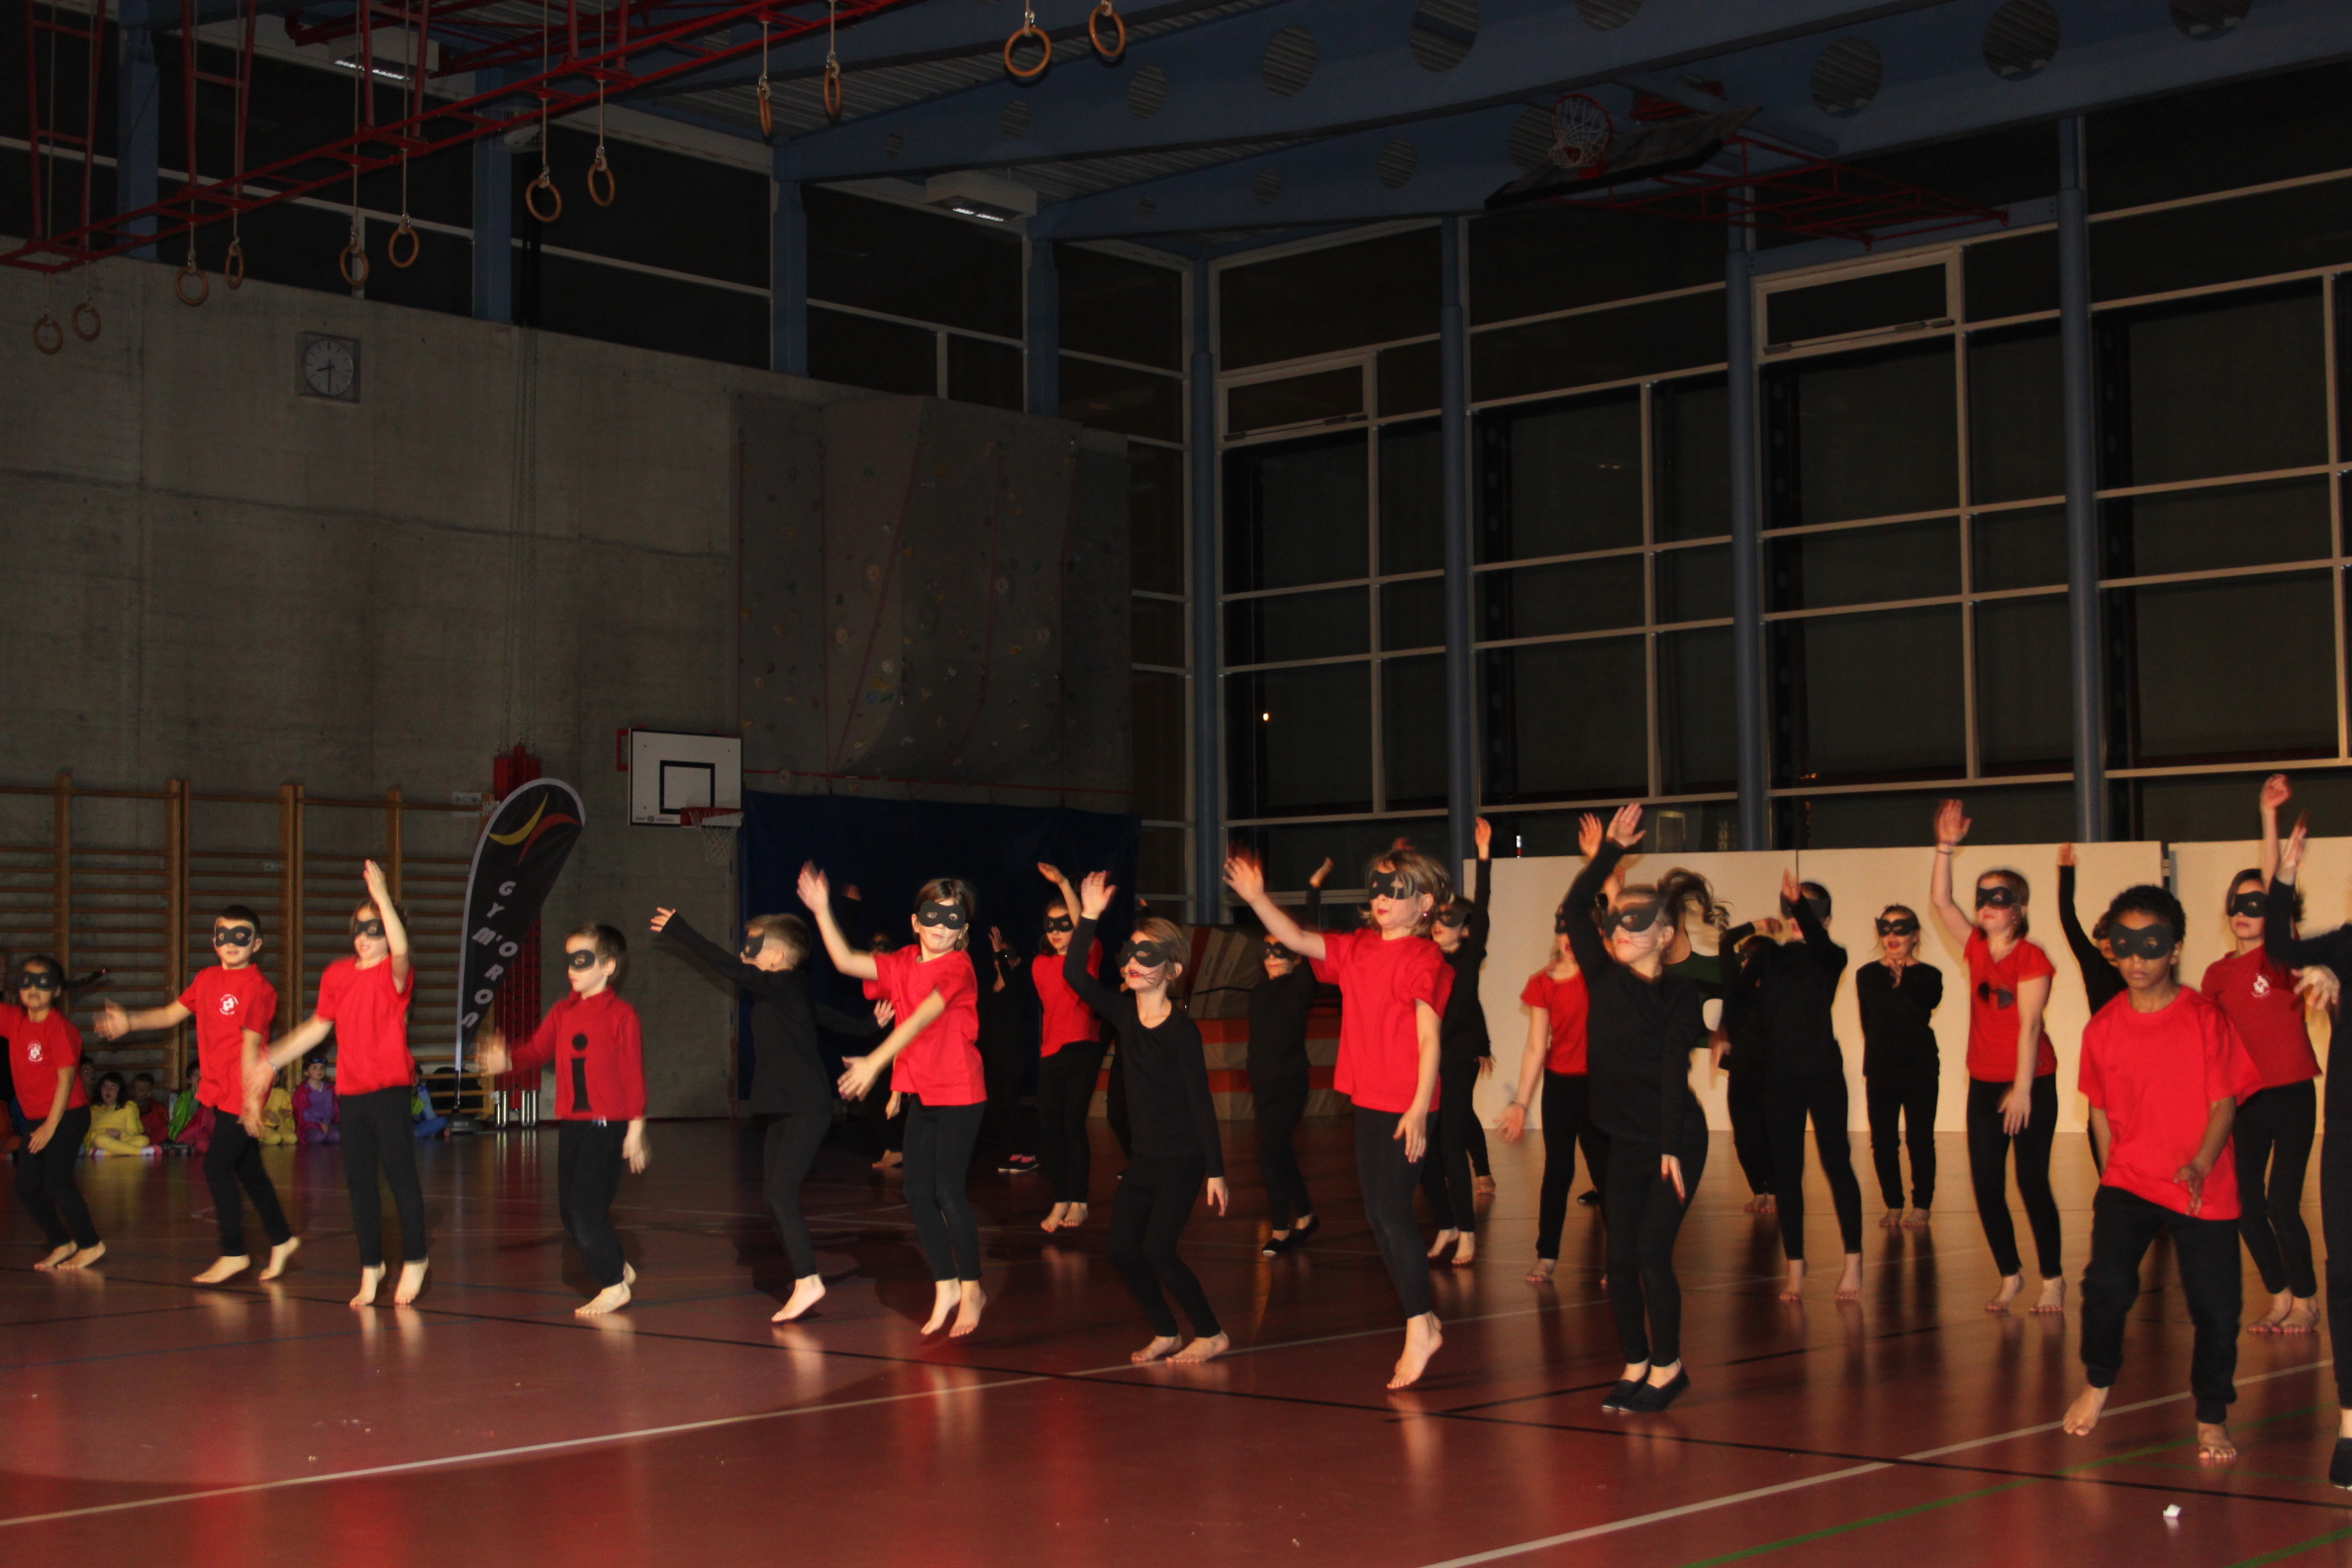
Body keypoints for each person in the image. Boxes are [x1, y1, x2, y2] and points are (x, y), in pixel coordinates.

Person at [1227, 843, 1451, 1391]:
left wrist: (1418, 1106)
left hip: (1406, 1102)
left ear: (1424, 902)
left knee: (1393, 1213)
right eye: (1376, 889)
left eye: (1394, 891)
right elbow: (1300, 939)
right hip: (1368, 1098)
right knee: (1377, 1214)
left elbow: (1429, 1038)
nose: (1381, 898)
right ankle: (1422, 1319)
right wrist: (1258, 898)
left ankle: (1419, 1325)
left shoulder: (1425, 959)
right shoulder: (1357, 948)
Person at [2062, 884, 2259, 1464]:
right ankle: (2098, 1380)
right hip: (2130, 1180)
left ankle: (2211, 1415)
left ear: (2174, 949)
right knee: (2105, 1286)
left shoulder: (2205, 1019)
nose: (2137, 959)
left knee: (2216, 1309)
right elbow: (2099, 1110)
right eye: (2125, 946)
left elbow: (2224, 1104)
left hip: (2202, 1183)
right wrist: (2110, 1176)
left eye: (2151, 945)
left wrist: (2199, 1163)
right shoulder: (2102, 1028)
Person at [654, 901, 882, 1323]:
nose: (745, 952)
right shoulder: (786, 993)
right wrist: (871, 1024)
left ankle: (807, 1280)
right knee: (772, 1198)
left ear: (775, 956)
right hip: (784, 1108)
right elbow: (831, 1018)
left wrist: (679, 929)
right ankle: (803, 1275)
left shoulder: (783, 985)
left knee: (781, 1194)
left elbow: (728, 966)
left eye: (753, 946)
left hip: (806, 1108)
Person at [1562, 807, 1710, 1411]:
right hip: (1623, 1139)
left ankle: (1668, 1368)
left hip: (1676, 1139)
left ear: (1665, 934)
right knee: (1618, 1260)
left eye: (1636, 921)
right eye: (1617, 919)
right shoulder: (1602, 975)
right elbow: (1575, 906)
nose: (1621, 928)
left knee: (1652, 1253)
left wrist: (1671, 1146)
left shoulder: (1680, 994)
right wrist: (1609, 854)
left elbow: (1675, 1070)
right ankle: (1635, 1361)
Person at [811, 866, 991, 1338]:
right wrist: (822, 910)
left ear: (963, 930)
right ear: (915, 921)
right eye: (933, 915)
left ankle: (972, 1288)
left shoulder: (958, 967)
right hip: (924, 1091)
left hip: (960, 1090)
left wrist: (875, 1064)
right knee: (915, 1190)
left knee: (947, 1191)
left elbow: (920, 1020)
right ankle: (945, 1285)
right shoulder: (903, 961)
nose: (941, 927)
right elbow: (846, 962)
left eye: (953, 919)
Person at [1064, 871, 1229, 1363]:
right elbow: (1075, 975)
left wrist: (1216, 1170)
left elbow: (1201, 1102)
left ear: (1172, 969)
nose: (1135, 962)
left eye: (1147, 955)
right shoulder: (1122, 1014)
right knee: (1121, 1250)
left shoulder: (1182, 1032)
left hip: (1182, 1160)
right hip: (1144, 1160)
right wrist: (1089, 915)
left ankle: (1211, 1333)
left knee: (1158, 1249)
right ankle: (1165, 1330)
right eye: (1131, 953)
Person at [250, 860, 427, 1308]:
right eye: (358, 929)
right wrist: (272, 1058)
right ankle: (371, 1266)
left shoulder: (395, 974)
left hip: (389, 1089)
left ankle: (416, 1257)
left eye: (374, 929)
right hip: (351, 1092)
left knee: (400, 1176)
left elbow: (401, 951)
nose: (364, 937)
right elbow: (318, 1025)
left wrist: (382, 896)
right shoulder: (337, 974)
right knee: (360, 1182)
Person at [97, 903, 300, 1283]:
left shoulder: (257, 988)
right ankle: (282, 1238)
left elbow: (250, 1044)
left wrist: (249, 1102)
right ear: (213, 941)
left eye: (241, 935)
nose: (231, 942)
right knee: (248, 1168)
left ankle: (234, 1252)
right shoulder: (206, 979)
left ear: (256, 944)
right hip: (218, 1086)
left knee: (216, 1165)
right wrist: (130, 1022)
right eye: (223, 935)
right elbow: (170, 1014)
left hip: (242, 1087)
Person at [1928, 800, 2062, 1315]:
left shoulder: (2032, 958)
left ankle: (2052, 1279)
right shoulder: (1976, 948)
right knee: (1986, 1185)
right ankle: (2010, 1274)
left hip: (2030, 1082)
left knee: (2031, 1182)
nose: (1986, 905)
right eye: (1982, 897)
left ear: (2018, 908)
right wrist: (1945, 847)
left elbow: (2030, 1026)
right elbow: (1941, 903)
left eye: (1998, 898)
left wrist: (2022, 1090)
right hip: (1983, 1082)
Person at [476, 925, 649, 1317]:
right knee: (571, 1216)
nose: (572, 968)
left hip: (606, 1126)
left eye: (582, 960)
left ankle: (613, 1285)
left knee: (586, 1212)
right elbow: (537, 1050)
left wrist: (635, 1127)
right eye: (569, 959)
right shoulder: (562, 1012)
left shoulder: (622, 1016)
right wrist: (507, 1060)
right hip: (572, 1125)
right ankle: (615, 1263)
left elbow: (633, 1074)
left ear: (607, 966)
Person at [2205, 775, 2322, 1336]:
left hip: (2291, 1091)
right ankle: (2279, 1294)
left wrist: (2267, 815)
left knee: (2282, 1204)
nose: (2246, 911)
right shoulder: (2217, 974)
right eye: (2239, 904)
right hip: (2245, 1100)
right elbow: (2209, 1046)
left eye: (2258, 904)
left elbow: (2279, 889)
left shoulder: (2280, 956)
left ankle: (2307, 1300)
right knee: (2245, 1205)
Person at [2265, 814, 2352, 1486]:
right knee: (2345, 1271)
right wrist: (2286, 874)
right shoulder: (2348, 945)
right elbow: (2278, 948)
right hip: (2348, 1128)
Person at [1748, 872, 1864, 1301]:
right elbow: (1745, 998)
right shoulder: (1770, 958)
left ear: (1826, 920)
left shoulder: (1832, 957)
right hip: (1780, 1075)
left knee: (1836, 1162)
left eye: (1811, 910)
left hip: (1822, 1072)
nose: (1798, 915)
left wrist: (1799, 904)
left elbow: (1818, 942)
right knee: (1786, 1171)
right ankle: (1794, 1265)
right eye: (1794, 908)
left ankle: (1853, 1259)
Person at [1498, 888, 1603, 1287]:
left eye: (1578, 929)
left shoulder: (1605, 974)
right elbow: (1535, 1046)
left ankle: (1621, 1258)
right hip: (1561, 1086)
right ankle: (1546, 1255)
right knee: (1557, 1170)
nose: (1569, 938)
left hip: (1601, 1086)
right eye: (1563, 929)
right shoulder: (1542, 981)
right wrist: (1519, 1103)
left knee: (1606, 1172)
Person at [1422, 818, 1495, 1267]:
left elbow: (1482, 910)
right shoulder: (1424, 957)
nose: (1439, 923)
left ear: (1465, 930)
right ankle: (1446, 1223)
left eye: (1450, 919)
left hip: (1457, 1059)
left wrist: (1484, 857)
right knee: (1424, 1150)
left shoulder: (1467, 957)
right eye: (1438, 916)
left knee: (1450, 1145)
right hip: (1426, 1059)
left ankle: (1467, 1232)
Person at [1247, 858, 1326, 1257]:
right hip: (1261, 1082)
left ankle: (1280, 1229)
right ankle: (1306, 1215)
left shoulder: (1300, 985)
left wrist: (1313, 888)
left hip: (1290, 1080)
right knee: (1279, 1153)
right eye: (1267, 951)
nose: (1272, 956)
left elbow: (1306, 935)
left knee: (1269, 1153)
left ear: (1294, 957)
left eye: (1280, 951)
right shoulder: (1258, 991)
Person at [5, 954, 103, 1269]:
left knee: (57, 1182)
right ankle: (62, 1242)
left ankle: (90, 1243)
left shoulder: (59, 1028)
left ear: (57, 990)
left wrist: (50, 1126)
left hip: (67, 1114)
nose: (33, 989)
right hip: (37, 1118)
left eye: (42, 983)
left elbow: (66, 1078)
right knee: (27, 1186)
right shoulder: (15, 1020)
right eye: (27, 982)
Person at [1856, 905, 1943, 1229]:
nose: (1892, 935)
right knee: (1883, 1140)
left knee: (1920, 1139)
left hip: (1919, 1067)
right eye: (1886, 927)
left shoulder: (1929, 975)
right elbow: (1872, 1018)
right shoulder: (1867, 974)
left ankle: (1922, 1204)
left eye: (1901, 928)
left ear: (1915, 935)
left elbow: (1922, 1004)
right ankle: (1893, 1202)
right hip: (1881, 1067)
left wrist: (1902, 981)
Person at [1032, 862, 1108, 1232]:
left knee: (1073, 1124)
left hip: (1083, 1047)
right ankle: (1060, 1198)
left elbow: (1084, 927)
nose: (1057, 932)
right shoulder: (1039, 964)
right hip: (1050, 1052)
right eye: (1051, 926)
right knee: (1049, 1129)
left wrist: (1064, 882)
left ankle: (1080, 1200)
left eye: (1064, 925)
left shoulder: (1089, 954)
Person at [974, 925, 1036, 1176]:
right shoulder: (989, 990)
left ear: (1017, 960)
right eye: (999, 955)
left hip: (1013, 1055)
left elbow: (1009, 979)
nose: (1002, 958)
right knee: (996, 1106)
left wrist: (1000, 951)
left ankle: (1028, 1152)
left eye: (1009, 955)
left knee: (1009, 1104)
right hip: (994, 1057)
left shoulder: (1018, 985)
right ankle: (1015, 1151)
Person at [2055, 844, 2125, 1019]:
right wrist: (2066, 873)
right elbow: (2068, 919)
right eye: (2103, 937)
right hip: (2101, 1033)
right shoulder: (2093, 963)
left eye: (2113, 937)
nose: (2107, 942)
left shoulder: (2136, 969)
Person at [84, 1073, 155, 1156]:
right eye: (104, 1087)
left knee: (144, 1140)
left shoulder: (128, 1107)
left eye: (113, 1087)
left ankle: (106, 1153)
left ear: (120, 1090)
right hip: (102, 1140)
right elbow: (89, 1136)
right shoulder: (93, 1109)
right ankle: (139, 1152)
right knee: (99, 1139)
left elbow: (133, 1132)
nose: (108, 1090)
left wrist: (119, 1134)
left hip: (122, 1139)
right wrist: (106, 1134)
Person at [294, 1061, 339, 1143]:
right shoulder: (302, 1090)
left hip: (325, 1122)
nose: (319, 1071)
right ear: (306, 1072)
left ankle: (326, 1134)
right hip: (309, 1123)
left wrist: (325, 1122)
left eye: (322, 1068)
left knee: (336, 1136)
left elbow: (329, 1108)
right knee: (318, 1136)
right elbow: (304, 1112)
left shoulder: (328, 1088)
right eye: (314, 1068)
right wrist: (319, 1123)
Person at [130, 1073, 169, 1146]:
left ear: (149, 1093)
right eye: (134, 1088)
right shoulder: (124, 1107)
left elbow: (167, 1130)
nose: (136, 1092)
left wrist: (149, 1142)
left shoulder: (158, 1108)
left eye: (141, 1090)